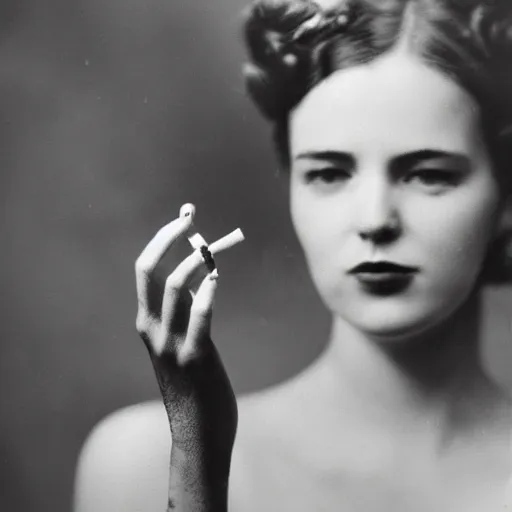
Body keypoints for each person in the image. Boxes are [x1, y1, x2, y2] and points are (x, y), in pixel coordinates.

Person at [73, 0, 512, 510]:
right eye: (328, 174)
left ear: (507, 197)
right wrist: (197, 464)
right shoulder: (139, 463)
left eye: (428, 174)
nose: (374, 219)